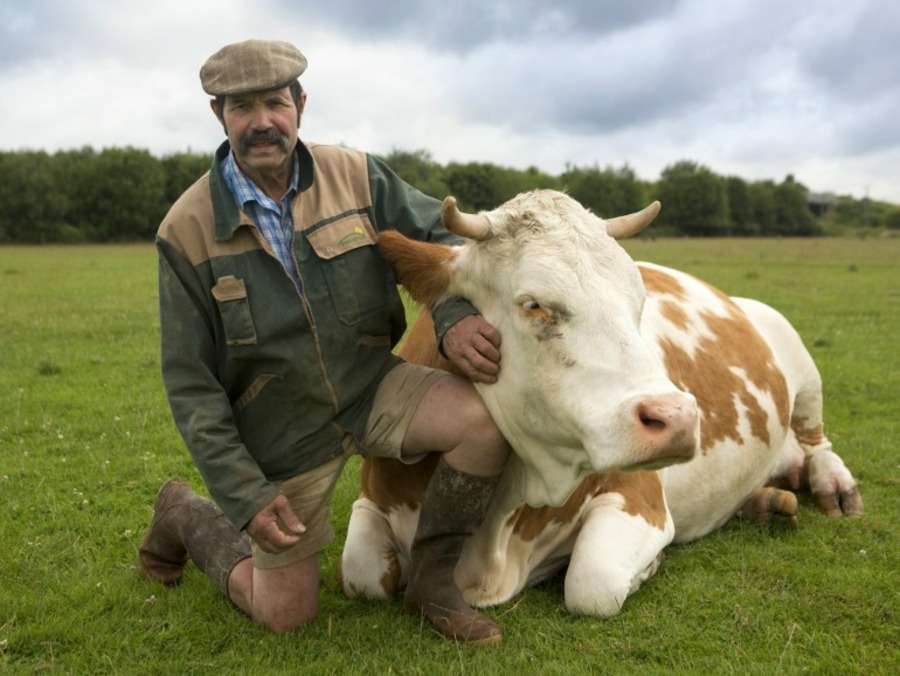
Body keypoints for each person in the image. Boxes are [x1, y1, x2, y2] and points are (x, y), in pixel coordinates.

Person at [138, 39, 510, 644]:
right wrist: (245, 494)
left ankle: (434, 583)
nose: (262, 122)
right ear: (218, 115)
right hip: (281, 429)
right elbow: (190, 385)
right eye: (241, 107)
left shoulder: (358, 176)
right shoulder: (184, 231)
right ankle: (184, 513)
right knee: (286, 616)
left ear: (300, 105)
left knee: (484, 424)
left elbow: (444, 251)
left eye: (275, 103)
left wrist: (455, 319)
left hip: (370, 385)